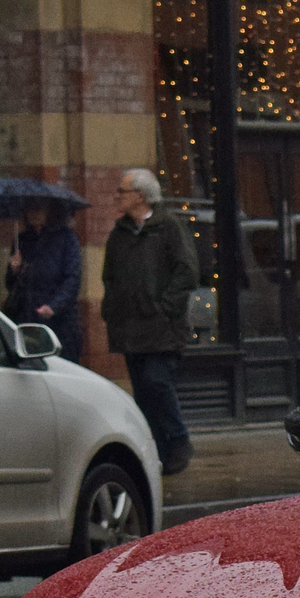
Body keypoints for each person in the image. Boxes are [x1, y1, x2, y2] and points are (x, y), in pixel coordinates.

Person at [101, 167, 199, 475]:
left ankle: (178, 441)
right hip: (129, 328)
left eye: (122, 191)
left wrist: (164, 306)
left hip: (161, 327)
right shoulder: (119, 233)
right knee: (142, 390)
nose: (116, 196)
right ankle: (157, 449)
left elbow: (187, 271)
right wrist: (112, 308)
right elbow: (110, 276)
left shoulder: (167, 227)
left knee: (158, 384)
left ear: (140, 196)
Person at [3, 199, 84, 362]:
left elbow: (72, 279)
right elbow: (11, 285)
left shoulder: (66, 239)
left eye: (38, 209)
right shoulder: (22, 240)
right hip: (27, 318)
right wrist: (14, 270)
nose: (33, 214)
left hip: (58, 321)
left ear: (50, 212)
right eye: (29, 209)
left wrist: (54, 306)